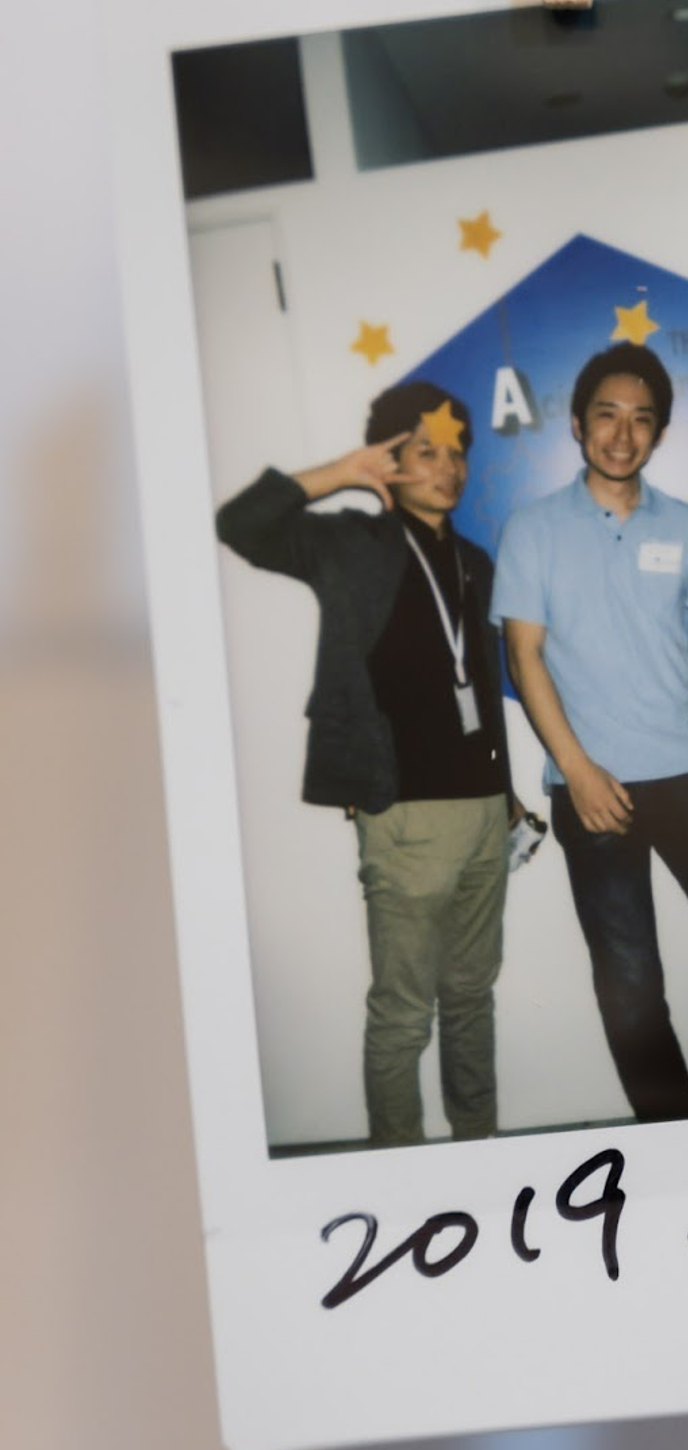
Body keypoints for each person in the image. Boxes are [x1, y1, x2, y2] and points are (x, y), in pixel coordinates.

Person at [493, 344, 688, 1124]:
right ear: (577, 423)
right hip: (592, 783)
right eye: (607, 416)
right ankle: (673, 1134)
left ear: (657, 433)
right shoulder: (533, 529)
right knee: (630, 984)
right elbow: (524, 657)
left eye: (641, 419)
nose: (622, 435)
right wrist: (576, 770)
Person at [216, 380, 517, 1146]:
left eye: (457, 453)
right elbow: (239, 524)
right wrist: (342, 472)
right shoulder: (352, 543)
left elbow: (482, 684)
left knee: (472, 997)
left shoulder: (476, 561)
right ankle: (400, 1166)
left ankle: (478, 1147)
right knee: (404, 1011)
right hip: (404, 811)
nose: (448, 468)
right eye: (427, 452)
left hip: (485, 812)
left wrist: (507, 792)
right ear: (391, 459)